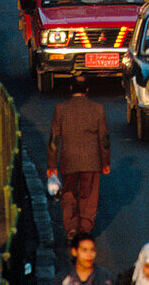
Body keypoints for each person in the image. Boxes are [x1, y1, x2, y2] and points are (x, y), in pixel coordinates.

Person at [47, 76, 111, 241]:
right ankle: (85, 229)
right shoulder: (98, 109)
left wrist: (52, 165)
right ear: (87, 90)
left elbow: (54, 139)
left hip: (68, 161)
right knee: (88, 197)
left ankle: (71, 227)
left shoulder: (60, 109)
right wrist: (106, 162)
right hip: (92, 162)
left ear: (70, 89)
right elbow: (104, 138)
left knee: (69, 194)